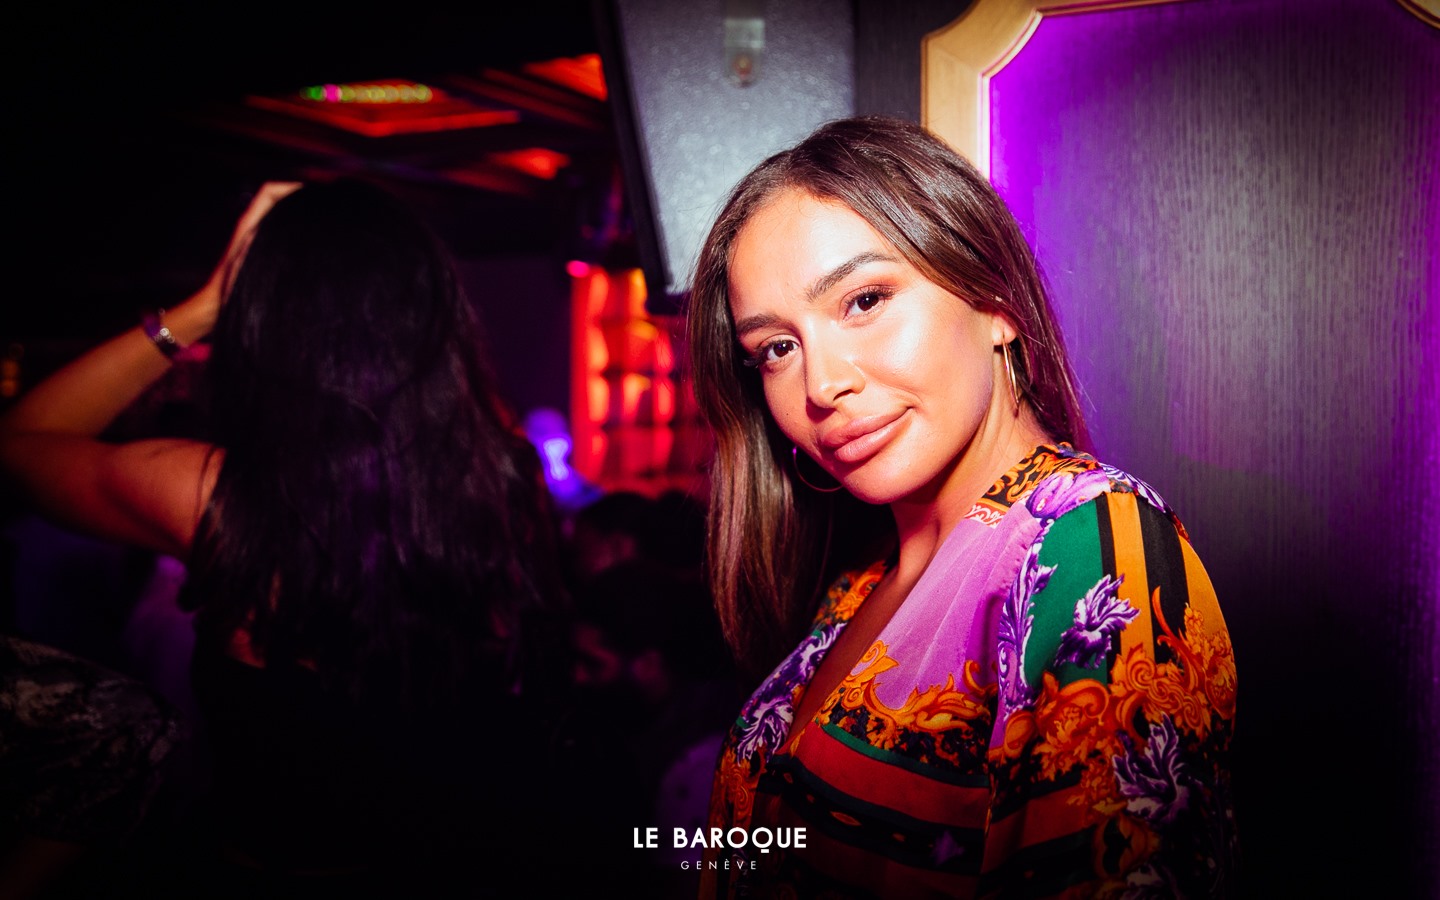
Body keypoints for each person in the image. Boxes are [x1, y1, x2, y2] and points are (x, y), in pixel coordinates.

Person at [685, 116, 1238, 898]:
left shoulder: (1089, 547)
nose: (821, 384)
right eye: (776, 348)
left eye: (864, 300)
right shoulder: (859, 580)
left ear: (995, 302)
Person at [0, 179, 571, 894]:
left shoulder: (220, 496)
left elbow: (21, 442)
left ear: (269, 322)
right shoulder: (503, 481)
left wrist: (201, 309)